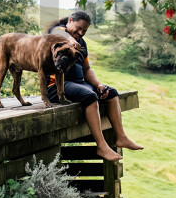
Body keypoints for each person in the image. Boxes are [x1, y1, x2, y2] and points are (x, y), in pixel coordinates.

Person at [46, 11, 143, 162]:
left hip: (79, 84)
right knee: (89, 96)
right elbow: (57, 32)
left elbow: (86, 69)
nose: (80, 33)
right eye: (78, 28)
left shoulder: (81, 43)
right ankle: (102, 146)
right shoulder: (58, 35)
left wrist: (98, 85)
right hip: (57, 86)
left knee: (111, 93)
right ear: (70, 21)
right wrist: (70, 40)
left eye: (84, 31)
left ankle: (121, 137)